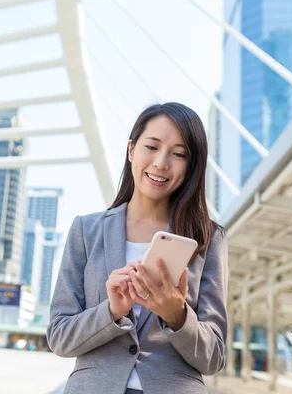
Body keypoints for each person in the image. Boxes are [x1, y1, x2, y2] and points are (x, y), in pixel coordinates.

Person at [47, 103, 228, 394]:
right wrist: (112, 311)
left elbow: (215, 357)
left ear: (191, 166)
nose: (161, 163)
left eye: (179, 154)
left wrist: (177, 316)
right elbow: (59, 337)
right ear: (131, 150)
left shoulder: (208, 238)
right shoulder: (86, 230)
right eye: (152, 147)